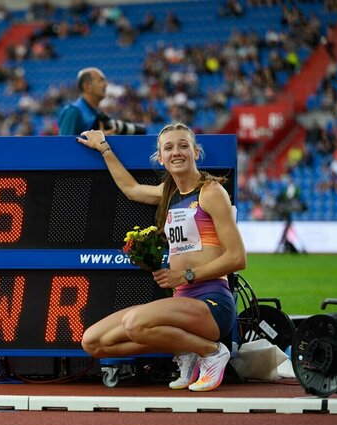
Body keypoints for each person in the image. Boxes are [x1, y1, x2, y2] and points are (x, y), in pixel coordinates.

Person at [77, 122, 246, 392]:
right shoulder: (169, 194)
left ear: (195, 153)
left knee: (135, 323)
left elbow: (238, 258)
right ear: (160, 157)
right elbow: (131, 189)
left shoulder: (211, 192)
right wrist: (104, 148)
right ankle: (186, 350)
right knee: (93, 342)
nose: (176, 152)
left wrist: (186, 275)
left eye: (183, 146)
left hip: (211, 303)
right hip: (181, 303)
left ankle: (212, 351)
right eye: (168, 148)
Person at [57, 67, 146, 136]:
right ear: (87, 86)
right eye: (101, 80)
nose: (106, 84)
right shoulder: (73, 111)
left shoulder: (97, 114)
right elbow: (64, 149)